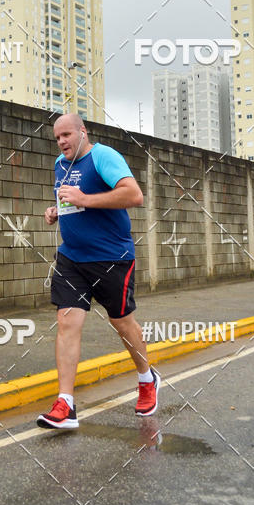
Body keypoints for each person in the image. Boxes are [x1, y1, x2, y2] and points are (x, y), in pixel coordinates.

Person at [36, 113, 160, 430]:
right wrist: (57, 211)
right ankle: (66, 403)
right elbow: (73, 203)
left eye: (66, 135)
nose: (61, 141)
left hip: (111, 257)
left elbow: (134, 195)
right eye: (57, 137)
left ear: (83, 132)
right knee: (67, 322)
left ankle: (146, 378)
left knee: (122, 323)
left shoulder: (103, 157)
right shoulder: (60, 165)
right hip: (72, 258)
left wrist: (85, 199)